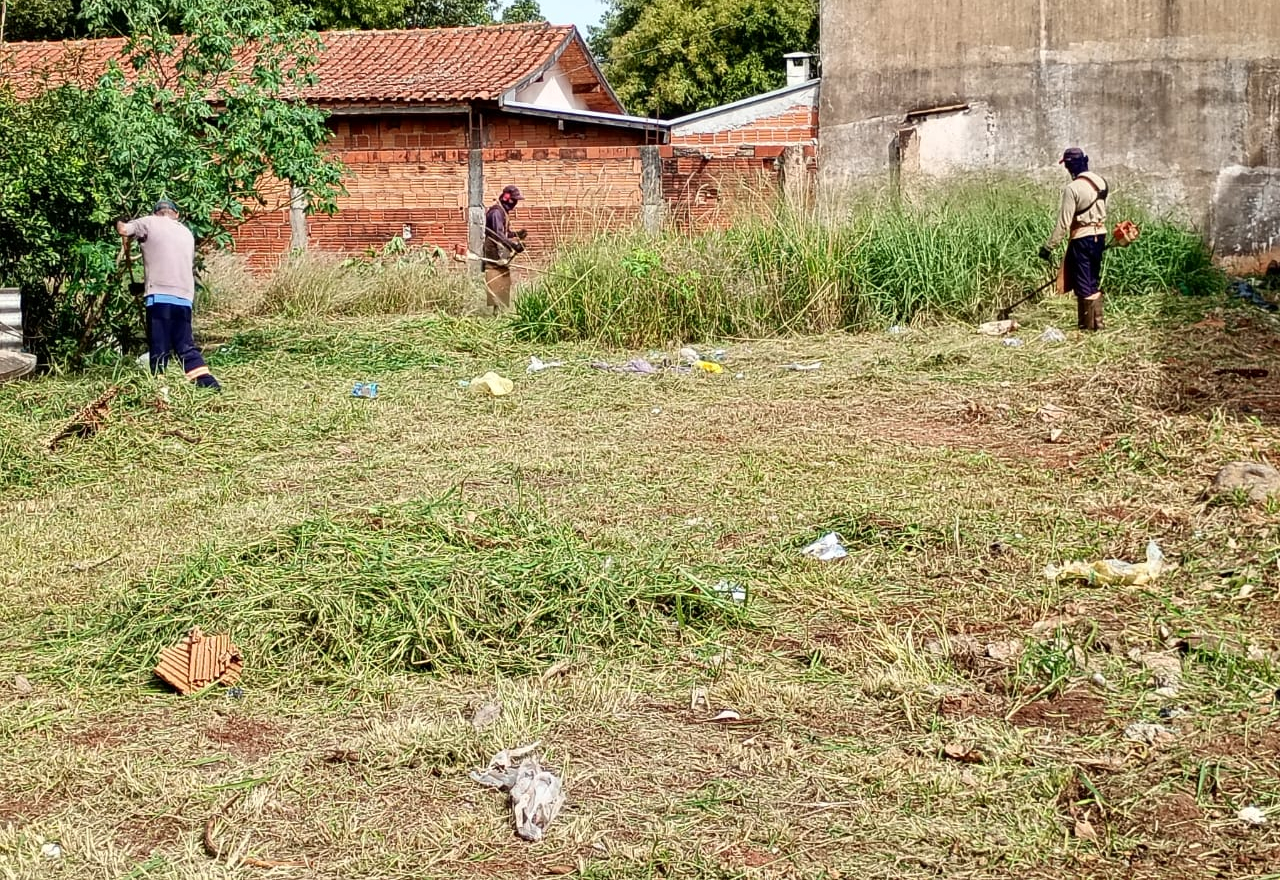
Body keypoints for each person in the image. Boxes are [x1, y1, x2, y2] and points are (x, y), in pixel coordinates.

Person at [117, 200, 221, 389]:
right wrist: (142, 287)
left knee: (159, 346)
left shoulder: (149, 222)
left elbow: (124, 230)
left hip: (159, 299)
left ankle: (160, 391)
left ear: (156, 213)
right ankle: (208, 383)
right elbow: (172, 269)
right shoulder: (186, 233)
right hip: (184, 299)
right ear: (176, 215)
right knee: (185, 346)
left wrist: (118, 220)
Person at [1040, 147, 1109, 331]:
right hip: (1100, 235)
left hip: (1082, 239)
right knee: (1092, 279)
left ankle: (1088, 327)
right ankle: (1097, 322)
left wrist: (1048, 247)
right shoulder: (1101, 182)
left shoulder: (1072, 188)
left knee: (1083, 283)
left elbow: (1064, 223)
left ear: (1069, 167)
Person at [483, 185, 527, 311]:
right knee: (496, 278)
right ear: (506, 198)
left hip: (499, 249)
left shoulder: (503, 212)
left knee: (503, 279)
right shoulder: (496, 212)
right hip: (493, 250)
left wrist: (517, 234)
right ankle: (496, 312)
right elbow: (498, 235)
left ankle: (500, 310)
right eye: (514, 200)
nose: (515, 203)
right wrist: (514, 246)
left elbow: (505, 233)